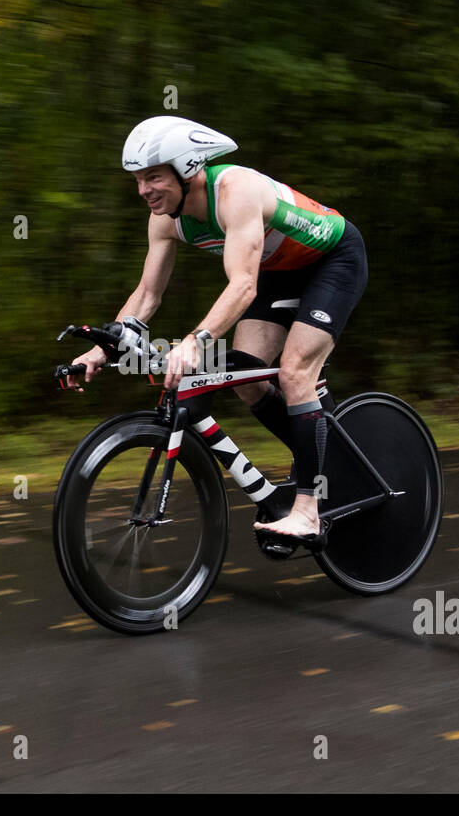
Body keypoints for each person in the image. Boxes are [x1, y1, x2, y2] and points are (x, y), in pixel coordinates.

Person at [67, 115, 368, 542]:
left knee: (294, 371)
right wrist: (103, 347)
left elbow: (243, 286)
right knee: (246, 377)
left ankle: (307, 511)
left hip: (332, 260)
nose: (143, 190)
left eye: (153, 177)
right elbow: (147, 296)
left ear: (187, 168)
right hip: (278, 273)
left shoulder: (236, 191)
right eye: (137, 179)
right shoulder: (164, 219)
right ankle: (323, 453)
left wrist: (194, 342)